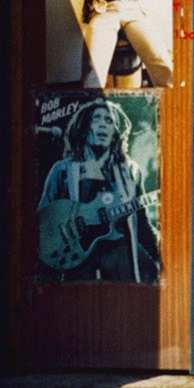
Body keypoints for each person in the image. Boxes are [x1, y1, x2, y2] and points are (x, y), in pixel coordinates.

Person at [37, 94, 161, 282]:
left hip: (115, 254)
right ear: (84, 128)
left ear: (115, 133)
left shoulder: (130, 171)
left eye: (109, 121)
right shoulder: (62, 170)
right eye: (96, 119)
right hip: (75, 256)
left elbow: (141, 222)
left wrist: (164, 257)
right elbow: (42, 219)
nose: (103, 124)